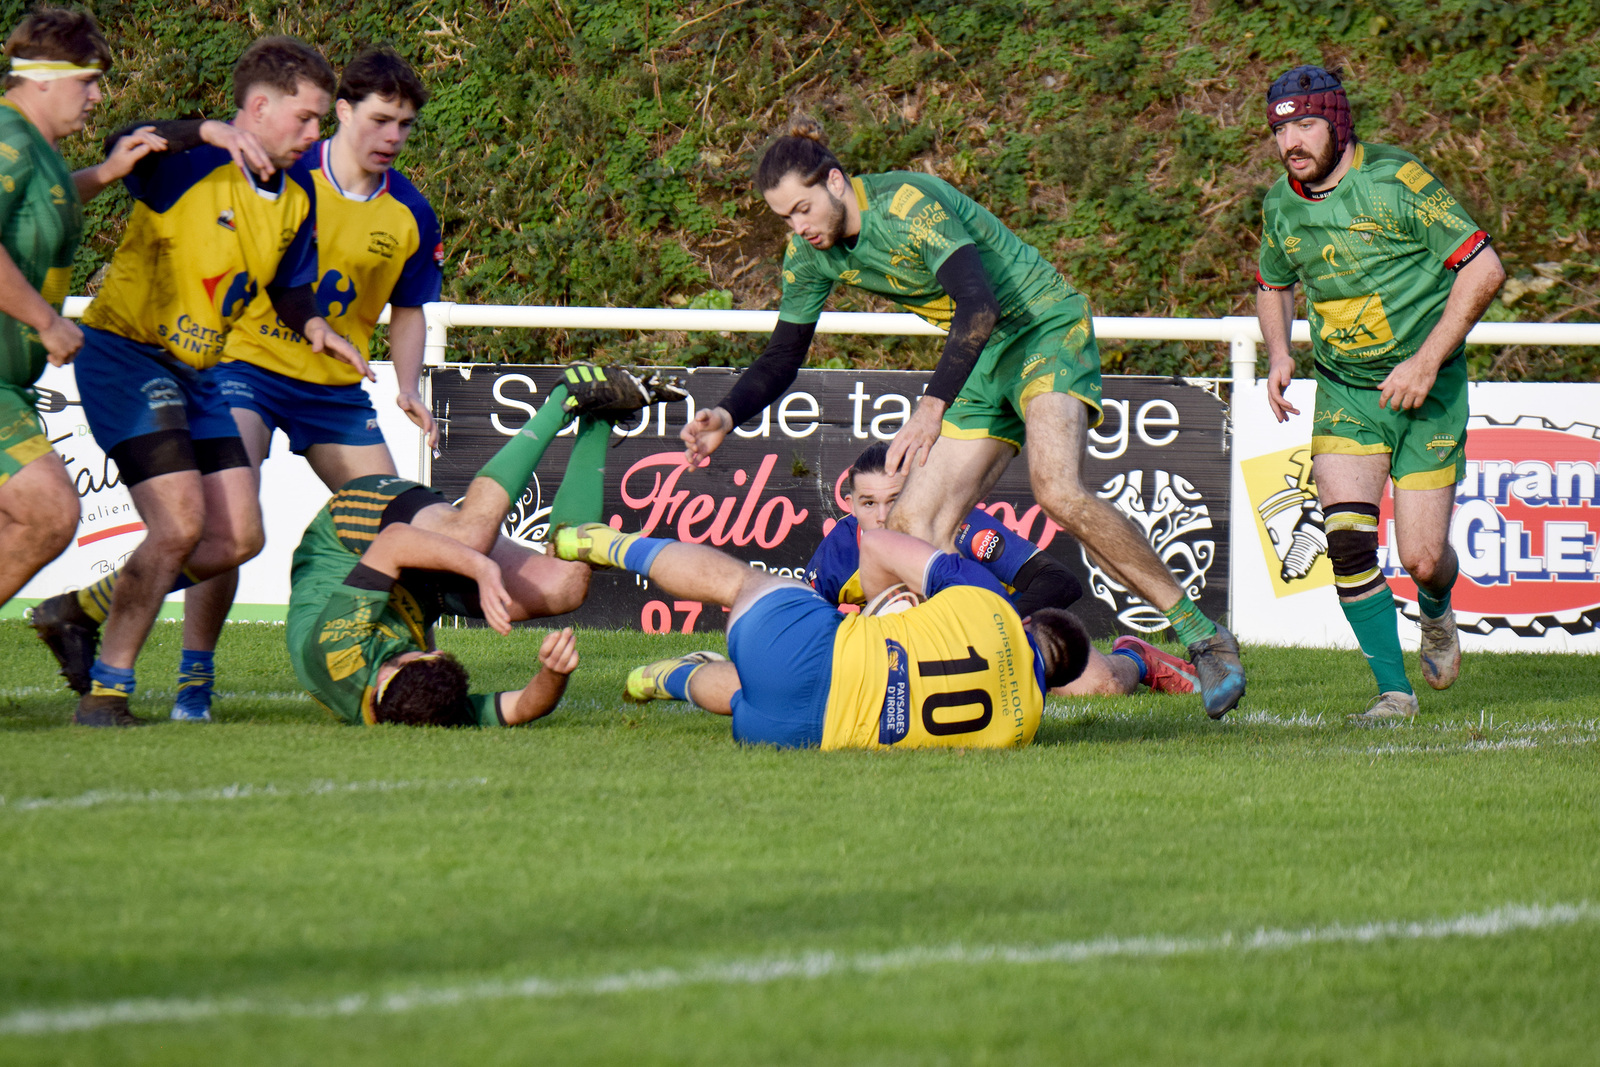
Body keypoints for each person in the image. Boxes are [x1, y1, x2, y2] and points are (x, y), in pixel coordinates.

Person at [678, 118, 1245, 718]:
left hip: (1041, 328)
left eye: (803, 209)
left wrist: (931, 407)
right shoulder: (809, 255)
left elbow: (979, 304)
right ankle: (938, 671)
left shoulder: (908, 205)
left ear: (836, 182)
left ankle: (1203, 636)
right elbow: (783, 354)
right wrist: (728, 414)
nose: (799, 228)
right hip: (979, 358)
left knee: (1057, 490)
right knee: (909, 525)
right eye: (785, 218)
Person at [29, 36, 364, 727]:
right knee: (179, 524)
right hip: (127, 355)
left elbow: (287, 285)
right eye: (305, 116)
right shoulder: (192, 163)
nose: (316, 132)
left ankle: (78, 609)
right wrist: (207, 130)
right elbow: (125, 143)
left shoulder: (298, 192)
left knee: (238, 538)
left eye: (319, 119)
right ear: (258, 108)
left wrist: (315, 326)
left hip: (203, 373)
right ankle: (107, 694)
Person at [169, 46, 444, 721]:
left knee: (406, 523)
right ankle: (194, 677)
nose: (393, 136)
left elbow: (410, 308)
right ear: (342, 111)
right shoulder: (287, 171)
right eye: (380, 120)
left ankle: (418, 672)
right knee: (230, 520)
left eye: (405, 125)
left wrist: (409, 387)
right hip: (245, 365)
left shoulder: (410, 211)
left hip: (332, 389)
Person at [1255, 66, 1504, 720]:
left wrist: (1425, 362)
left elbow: (1484, 269)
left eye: (1306, 125)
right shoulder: (1281, 202)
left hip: (1427, 392)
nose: (1291, 143)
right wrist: (1279, 351)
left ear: (1337, 123)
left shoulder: (1397, 181)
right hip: (1347, 392)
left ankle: (1436, 607)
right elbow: (1272, 282)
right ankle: (1394, 692)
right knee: (1346, 542)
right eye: (1280, 131)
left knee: (1422, 558)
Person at [627, 440, 1195, 712]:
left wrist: (992, 622)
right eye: (868, 503)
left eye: (894, 501)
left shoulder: (958, 526)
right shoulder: (838, 551)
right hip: (915, 661)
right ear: (849, 503)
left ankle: (1136, 657)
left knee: (1101, 687)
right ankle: (693, 669)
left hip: (999, 642)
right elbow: (805, 621)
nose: (882, 516)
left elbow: (1059, 583)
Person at [289, 361, 671, 726]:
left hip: (357, 538)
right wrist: (553, 674)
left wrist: (481, 567)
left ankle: (565, 397)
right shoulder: (422, 710)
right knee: (565, 587)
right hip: (421, 592)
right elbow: (520, 708)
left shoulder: (337, 652)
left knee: (471, 540)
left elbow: (394, 544)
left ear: (384, 678)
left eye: (423, 654)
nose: (436, 649)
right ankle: (600, 416)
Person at [549, 518, 1091, 751]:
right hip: (796, 734)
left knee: (741, 583)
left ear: (1027, 622)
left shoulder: (990, 605)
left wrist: (882, 610)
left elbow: (879, 543)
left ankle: (605, 545)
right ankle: (661, 679)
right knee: (748, 693)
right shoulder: (1024, 728)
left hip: (815, 653)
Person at [0, 10, 161, 614]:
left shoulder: (35, 149)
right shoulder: (8, 137)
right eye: (87, 81)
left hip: (9, 383)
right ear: (43, 77)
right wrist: (46, 321)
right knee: (47, 512)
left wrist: (106, 173)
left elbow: (45, 200)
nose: (97, 97)